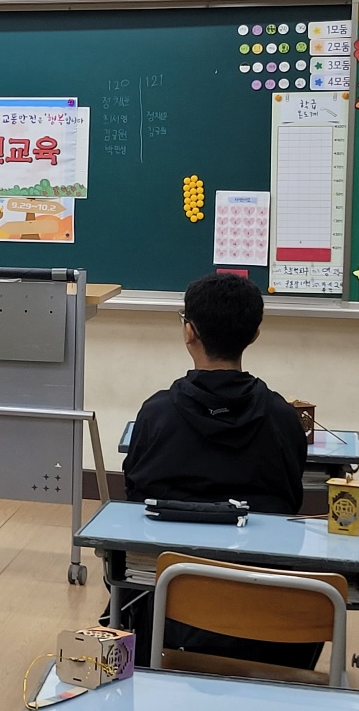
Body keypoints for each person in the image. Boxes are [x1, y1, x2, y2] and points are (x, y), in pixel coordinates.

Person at [122, 271, 313, 668]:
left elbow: (135, 499)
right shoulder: (282, 417)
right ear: (255, 334)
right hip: (268, 616)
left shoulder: (157, 414)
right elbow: (290, 501)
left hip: (167, 604)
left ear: (189, 332)